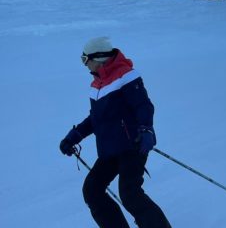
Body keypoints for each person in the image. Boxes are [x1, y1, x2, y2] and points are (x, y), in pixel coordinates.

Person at [59, 37, 172, 228]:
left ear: (99, 57)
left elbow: (143, 105)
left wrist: (146, 130)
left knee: (130, 194)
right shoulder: (96, 85)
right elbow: (95, 119)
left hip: (132, 146)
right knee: (92, 190)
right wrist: (74, 136)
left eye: (85, 59)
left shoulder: (125, 75)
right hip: (109, 151)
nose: (85, 65)